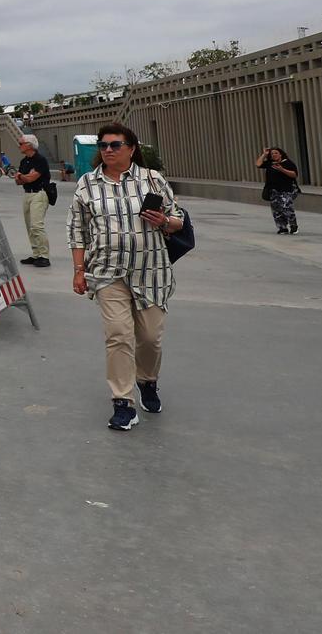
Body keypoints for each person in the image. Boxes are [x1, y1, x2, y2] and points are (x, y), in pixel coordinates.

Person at [69, 122, 185, 432]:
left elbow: (178, 221)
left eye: (115, 144)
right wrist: (79, 270)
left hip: (151, 272)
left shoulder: (153, 179)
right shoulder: (87, 184)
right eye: (103, 145)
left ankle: (147, 381)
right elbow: (77, 230)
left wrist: (163, 221)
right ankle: (123, 402)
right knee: (118, 335)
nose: (108, 150)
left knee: (149, 338)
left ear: (131, 148)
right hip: (108, 272)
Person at [13, 134, 54, 267]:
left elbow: (30, 178)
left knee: (36, 225)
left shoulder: (40, 160)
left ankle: (44, 256)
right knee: (29, 226)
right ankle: (36, 254)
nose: (19, 145)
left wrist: (22, 176)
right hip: (27, 194)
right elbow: (18, 181)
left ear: (29, 145)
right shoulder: (24, 161)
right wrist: (23, 176)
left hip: (39, 194)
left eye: (21, 143)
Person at [255, 147, 300, 234]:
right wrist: (264, 154)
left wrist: (281, 169)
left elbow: (294, 175)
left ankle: (293, 226)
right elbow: (258, 164)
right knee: (276, 209)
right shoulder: (270, 163)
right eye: (272, 154)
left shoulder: (287, 163)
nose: (274, 155)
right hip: (273, 190)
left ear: (280, 154)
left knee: (287, 207)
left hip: (286, 189)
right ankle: (282, 227)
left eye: (276, 153)